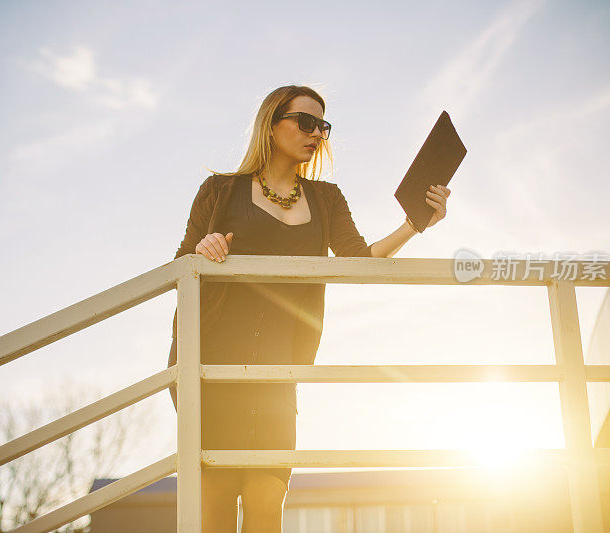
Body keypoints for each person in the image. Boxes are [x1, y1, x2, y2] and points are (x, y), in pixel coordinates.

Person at [167, 85, 450, 532]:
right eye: (305, 122)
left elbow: (358, 262)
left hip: (279, 376)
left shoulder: (326, 198)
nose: (316, 132)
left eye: (323, 125)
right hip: (212, 371)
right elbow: (181, 264)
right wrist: (205, 248)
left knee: (266, 508)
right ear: (271, 123)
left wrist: (415, 224)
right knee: (214, 512)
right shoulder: (220, 191)